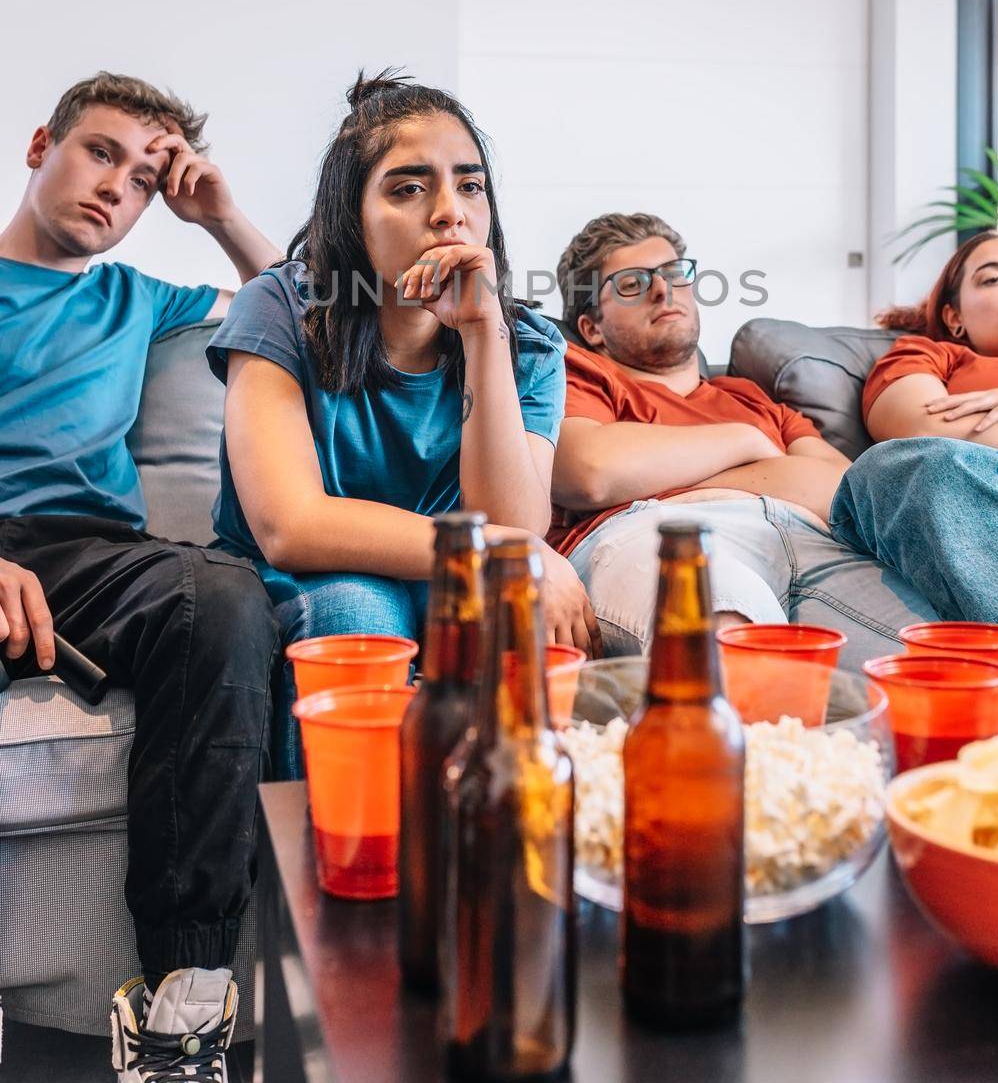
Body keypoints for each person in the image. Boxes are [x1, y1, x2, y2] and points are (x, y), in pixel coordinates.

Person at [0, 71, 281, 1081]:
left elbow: (300, 313)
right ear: (42, 145)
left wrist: (217, 215)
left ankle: (182, 996)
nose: (116, 186)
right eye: (100, 152)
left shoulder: (138, 299)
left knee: (220, 595)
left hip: (87, 557)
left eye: (143, 178)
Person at [209, 71, 599, 779]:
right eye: (408, 188)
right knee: (359, 611)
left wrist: (484, 337)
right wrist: (507, 554)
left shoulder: (531, 344)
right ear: (349, 218)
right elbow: (289, 525)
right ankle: (351, 869)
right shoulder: (280, 308)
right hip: (304, 577)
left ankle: (502, 856)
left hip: (445, 577)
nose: (450, 213)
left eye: (471, 185)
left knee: (507, 624)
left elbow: (512, 519)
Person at [550, 212, 935, 658]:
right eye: (632, 284)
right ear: (591, 328)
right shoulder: (579, 374)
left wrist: (684, 471)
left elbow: (846, 491)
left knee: (933, 663)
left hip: (811, 540)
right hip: (661, 533)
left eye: (675, 273)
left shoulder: (752, 398)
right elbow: (589, 470)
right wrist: (746, 443)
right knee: (727, 639)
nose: (663, 290)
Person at [830, 229, 998, 734]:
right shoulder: (932, 356)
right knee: (903, 466)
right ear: (954, 317)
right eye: (992, 278)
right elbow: (919, 426)